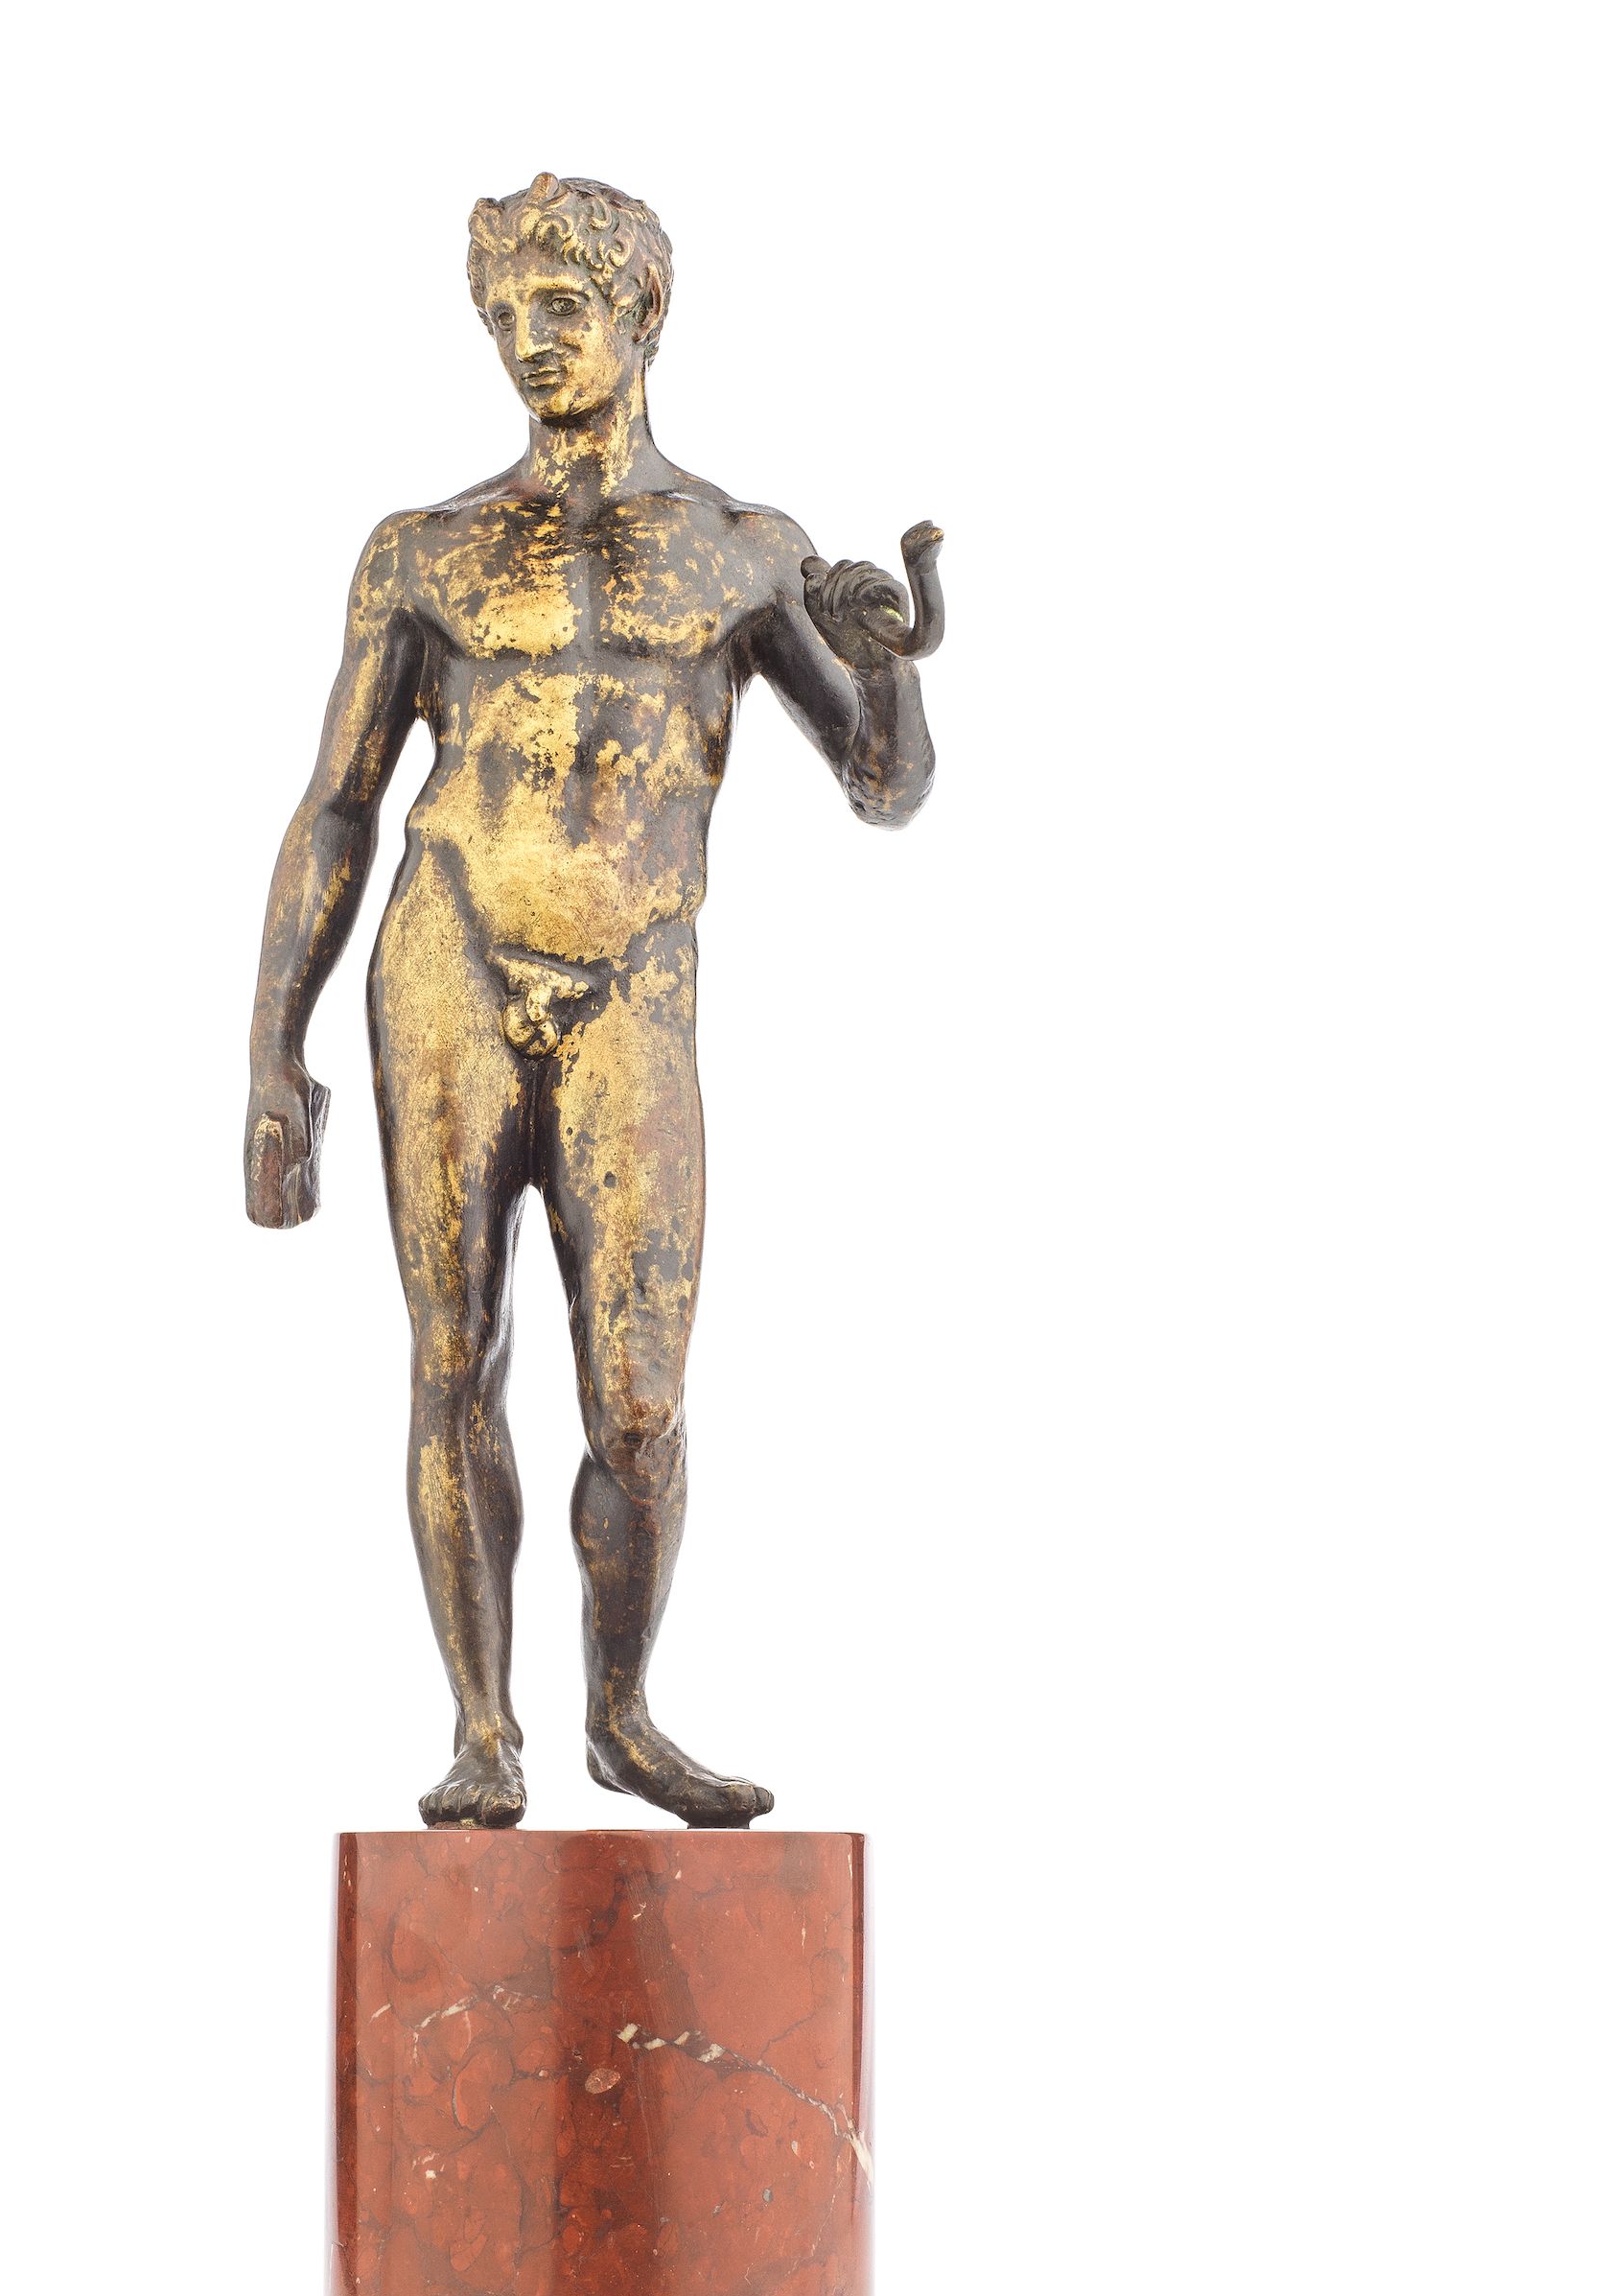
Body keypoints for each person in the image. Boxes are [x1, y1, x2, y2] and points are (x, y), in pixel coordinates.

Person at [244, 174, 943, 1828]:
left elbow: (882, 787)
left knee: (640, 1399)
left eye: (561, 307)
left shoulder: (742, 550)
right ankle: (485, 1729)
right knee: (452, 1352)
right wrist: (272, 1052)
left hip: (636, 974)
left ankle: (620, 1713)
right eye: (503, 315)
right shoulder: (423, 550)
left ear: (645, 313)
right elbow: (337, 804)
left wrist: (892, 666)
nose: (529, 341)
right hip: (450, 954)